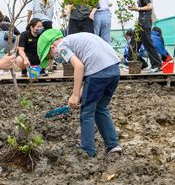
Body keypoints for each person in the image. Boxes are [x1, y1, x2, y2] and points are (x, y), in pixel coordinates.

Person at [37, 29, 122, 157]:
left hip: (97, 74)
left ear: (52, 47)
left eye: (51, 56)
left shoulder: (61, 46)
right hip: (114, 71)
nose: (55, 59)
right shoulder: (77, 38)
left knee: (87, 112)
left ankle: (87, 150)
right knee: (101, 107)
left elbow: (79, 67)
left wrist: (75, 94)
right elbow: (90, 78)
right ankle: (113, 145)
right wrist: (80, 95)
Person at [128, 0, 162, 71]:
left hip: (145, 19)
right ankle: (137, 64)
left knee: (147, 43)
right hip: (141, 20)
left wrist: (137, 8)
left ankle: (157, 65)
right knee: (134, 43)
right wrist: (135, 8)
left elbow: (150, 6)